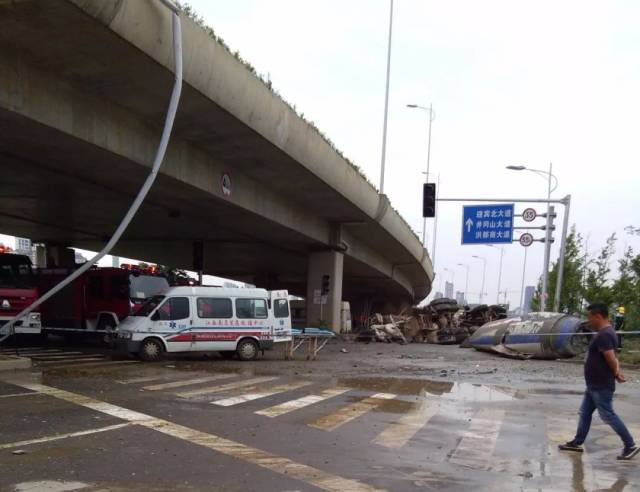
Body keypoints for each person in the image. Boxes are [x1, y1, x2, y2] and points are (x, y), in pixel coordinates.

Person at [559, 302, 639, 460]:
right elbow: (613, 357)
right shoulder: (606, 333)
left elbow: (610, 357)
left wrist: (616, 372)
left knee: (608, 415)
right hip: (594, 385)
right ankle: (577, 442)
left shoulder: (605, 334)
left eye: (590, 317)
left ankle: (630, 445)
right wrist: (617, 372)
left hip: (600, 385)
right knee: (585, 413)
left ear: (598, 316)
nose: (589, 321)